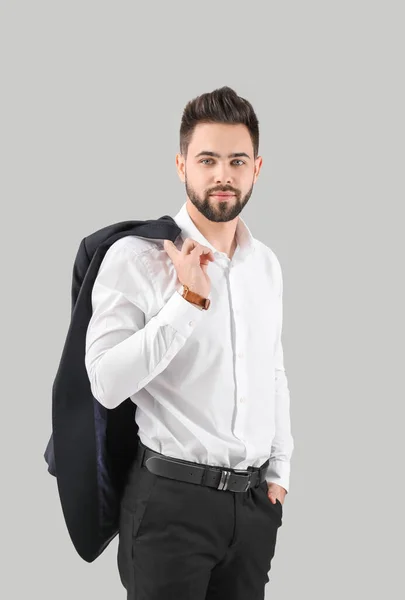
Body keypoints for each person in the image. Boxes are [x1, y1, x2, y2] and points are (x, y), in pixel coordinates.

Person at [85, 85, 294, 599]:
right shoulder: (136, 258)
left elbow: (272, 369)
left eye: (237, 161)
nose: (223, 174)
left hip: (252, 509)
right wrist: (188, 303)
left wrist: (280, 469)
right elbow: (105, 383)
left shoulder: (264, 264)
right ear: (181, 166)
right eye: (207, 160)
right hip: (169, 506)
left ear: (257, 169)